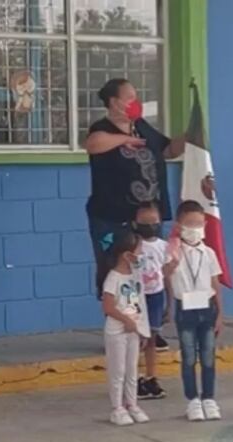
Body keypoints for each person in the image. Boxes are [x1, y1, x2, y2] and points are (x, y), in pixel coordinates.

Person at [85, 78, 183, 351]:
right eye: (129, 97)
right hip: (112, 218)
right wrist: (127, 139)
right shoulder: (102, 129)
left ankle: (149, 328)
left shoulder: (142, 127)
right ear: (115, 102)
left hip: (147, 219)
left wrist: (187, 138)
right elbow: (93, 144)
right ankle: (119, 325)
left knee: (149, 272)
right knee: (116, 271)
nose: (135, 101)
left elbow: (167, 149)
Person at [164, 200, 224, 422]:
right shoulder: (171, 250)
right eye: (190, 223)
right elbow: (165, 278)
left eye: (199, 223)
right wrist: (169, 307)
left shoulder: (208, 252)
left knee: (208, 356)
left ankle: (209, 397)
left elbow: (215, 283)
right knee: (189, 356)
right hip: (185, 308)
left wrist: (220, 313)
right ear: (179, 225)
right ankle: (193, 400)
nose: (195, 228)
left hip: (207, 308)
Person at [101, 229, 151, 426]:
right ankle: (117, 408)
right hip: (117, 331)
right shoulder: (113, 277)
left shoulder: (135, 275)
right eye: (139, 251)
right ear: (127, 255)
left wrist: (141, 328)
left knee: (132, 370)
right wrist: (125, 320)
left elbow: (140, 303)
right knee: (118, 370)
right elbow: (108, 306)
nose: (141, 255)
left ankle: (132, 404)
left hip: (133, 330)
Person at [132, 202, 169, 400]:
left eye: (154, 222)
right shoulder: (131, 244)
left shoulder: (163, 247)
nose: (150, 226)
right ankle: (134, 377)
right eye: (144, 223)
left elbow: (167, 275)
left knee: (152, 338)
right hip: (136, 295)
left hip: (156, 295)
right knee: (136, 339)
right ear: (135, 223)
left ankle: (151, 376)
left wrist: (170, 304)